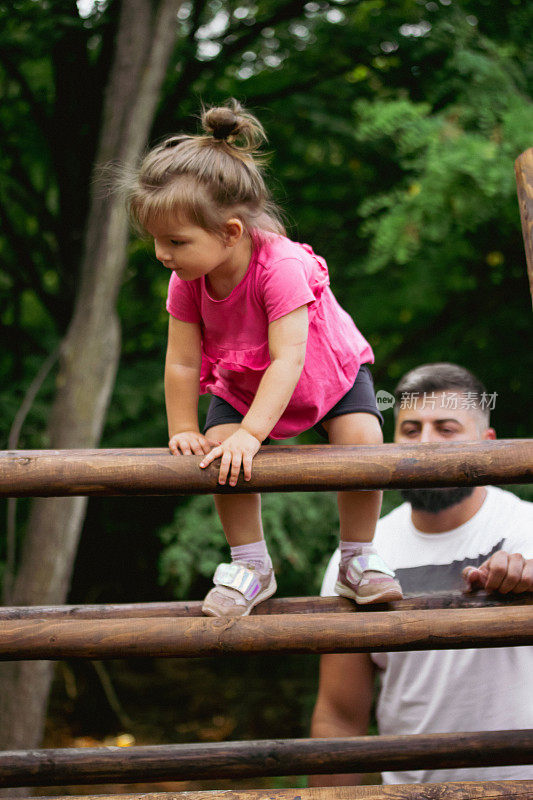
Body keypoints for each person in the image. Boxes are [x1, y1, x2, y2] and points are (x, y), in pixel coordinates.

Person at [127, 98, 402, 617]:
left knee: (363, 444)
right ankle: (251, 565)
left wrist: (255, 435)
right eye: (156, 241)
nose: (162, 253)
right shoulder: (186, 280)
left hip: (326, 374)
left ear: (231, 232)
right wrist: (183, 427)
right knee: (218, 450)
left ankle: (358, 557)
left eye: (176, 241)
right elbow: (183, 363)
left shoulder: (281, 267)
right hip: (243, 382)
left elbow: (288, 360)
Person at [310, 362, 533, 785]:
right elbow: (340, 716)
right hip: (414, 794)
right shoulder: (360, 555)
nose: (425, 444)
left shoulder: (528, 528)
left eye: (445, 429)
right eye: (410, 430)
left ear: (488, 444)